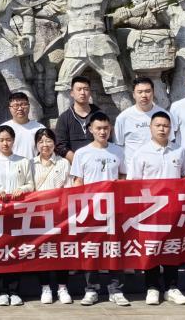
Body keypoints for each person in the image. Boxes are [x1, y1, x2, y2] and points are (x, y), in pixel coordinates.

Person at [128, 112, 185, 305]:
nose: (162, 129)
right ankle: (152, 287)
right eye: (158, 125)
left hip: (173, 209)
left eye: (166, 126)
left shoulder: (179, 151)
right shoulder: (141, 153)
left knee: (172, 247)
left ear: (171, 128)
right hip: (149, 210)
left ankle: (172, 288)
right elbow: (133, 183)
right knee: (151, 248)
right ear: (150, 128)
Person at [70, 112, 129, 307]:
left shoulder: (118, 151)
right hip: (91, 209)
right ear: (91, 130)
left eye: (106, 128)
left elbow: (124, 176)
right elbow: (78, 181)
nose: (103, 132)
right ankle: (91, 289)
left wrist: (118, 186)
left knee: (114, 249)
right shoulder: (82, 153)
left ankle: (116, 289)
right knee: (91, 250)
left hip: (114, 208)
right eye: (98, 128)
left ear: (110, 129)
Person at [0, 125, 34, 306]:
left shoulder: (23, 161)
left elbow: (30, 184)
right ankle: (1, 292)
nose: (5, 143)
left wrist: (22, 189)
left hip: (17, 211)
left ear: (13, 141)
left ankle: (14, 291)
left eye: (8, 140)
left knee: (15, 250)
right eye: (1, 140)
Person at [31, 129, 73, 304]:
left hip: (59, 215)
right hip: (38, 215)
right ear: (36, 145)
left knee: (61, 251)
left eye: (48, 141)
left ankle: (62, 287)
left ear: (55, 143)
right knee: (42, 252)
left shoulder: (63, 163)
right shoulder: (30, 164)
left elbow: (69, 188)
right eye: (41, 141)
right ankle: (45, 287)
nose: (45, 145)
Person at [114, 77, 173, 163]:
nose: (144, 95)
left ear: (153, 93)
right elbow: (118, 146)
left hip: (159, 165)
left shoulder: (164, 115)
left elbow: (170, 142)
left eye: (148, 91)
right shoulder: (123, 117)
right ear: (134, 94)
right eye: (140, 92)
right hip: (133, 168)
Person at [54, 76, 102, 163]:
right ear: (72, 93)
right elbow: (60, 145)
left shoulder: (100, 115)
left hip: (98, 163)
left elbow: (107, 140)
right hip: (74, 166)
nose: (82, 92)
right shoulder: (64, 118)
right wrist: (78, 162)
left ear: (90, 92)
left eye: (86, 89)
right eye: (79, 89)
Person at [0, 91, 43, 158]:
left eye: (23, 104)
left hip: (32, 164)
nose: (20, 108)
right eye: (16, 105)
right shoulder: (2, 129)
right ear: (10, 108)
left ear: (29, 106)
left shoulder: (39, 128)